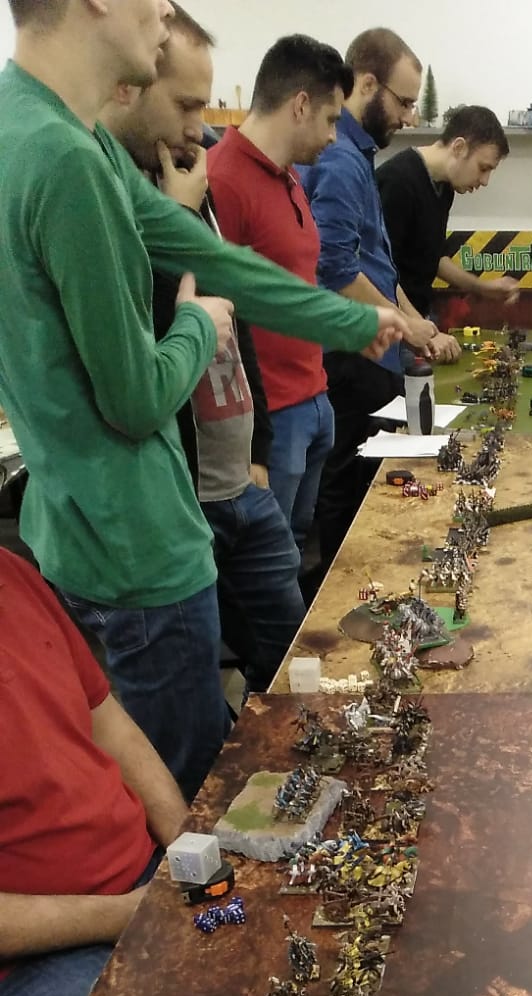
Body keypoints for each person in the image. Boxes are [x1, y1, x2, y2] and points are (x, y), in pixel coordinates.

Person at [0, 0, 407, 801]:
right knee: (193, 797)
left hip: (75, 527)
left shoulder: (35, 125)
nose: (163, 12)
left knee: (158, 768)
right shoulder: (68, 159)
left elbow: (206, 253)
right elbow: (136, 398)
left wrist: (351, 320)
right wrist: (195, 324)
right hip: (140, 544)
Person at [102, 5, 305, 694]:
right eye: (186, 104)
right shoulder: (120, 197)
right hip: (184, 503)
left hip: (241, 485)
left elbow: (234, 324)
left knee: (293, 658)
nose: (202, 127)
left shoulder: (193, 181)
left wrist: (258, 451)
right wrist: (182, 216)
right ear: (130, 87)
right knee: (193, 694)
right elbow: (146, 337)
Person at [0, 551, 189, 996]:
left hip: (142, 880)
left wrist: (186, 841)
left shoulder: (10, 575)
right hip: (28, 964)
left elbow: (108, 722)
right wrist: (126, 914)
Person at [207, 34, 353, 560]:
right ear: (300, 105)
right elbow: (217, 318)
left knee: (295, 552)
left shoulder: (290, 176)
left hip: (313, 399)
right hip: (273, 417)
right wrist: (254, 445)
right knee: (267, 565)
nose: (334, 136)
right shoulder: (223, 180)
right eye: (331, 119)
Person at [303, 28, 438, 570]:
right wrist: (401, 323)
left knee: (365, 486)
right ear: (365, 84)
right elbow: (334, 265)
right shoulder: (339, 160)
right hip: (352, 352)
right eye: (403, 102)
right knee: (349, 490)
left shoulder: (358, 156)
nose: (409, 116)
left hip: (372, 348)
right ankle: (345, 591)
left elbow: (377, 260)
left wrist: (410, 318)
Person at [377, 103, 521, 366]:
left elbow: (433, 256)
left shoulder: (444, 188)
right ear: (458, 147)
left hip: (417, 322)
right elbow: (378, 270)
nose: (485, 181)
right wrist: (418, 327)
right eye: (483, 168)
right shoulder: (397, 182)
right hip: (391, 330)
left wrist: (482, 288)